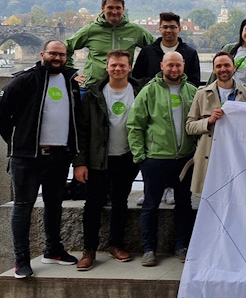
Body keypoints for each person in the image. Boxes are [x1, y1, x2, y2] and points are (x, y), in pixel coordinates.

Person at [0, 40, 81, 278]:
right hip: (27, 157)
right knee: (23, 207)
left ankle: (53, 249)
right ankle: (21, 260)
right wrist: (17, 142)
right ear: (43, 53)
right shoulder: (25, 79)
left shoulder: (70, 80)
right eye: (53, 53)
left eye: (62, 55)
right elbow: (2, 113)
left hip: (59, 156)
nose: (57, 58)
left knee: (54, 205)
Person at [127, 51, 197, 267]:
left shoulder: (193, 92)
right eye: (170, 66)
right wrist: (141, 157)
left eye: (178, 65)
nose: (174, 70)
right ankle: (149, 249)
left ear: (183, 65)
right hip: (155, 160)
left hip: (185, 159)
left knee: (184, 205)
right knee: (150, 205)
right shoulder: (149, 92)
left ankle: (181, 245)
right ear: (162, 66)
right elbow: (134, 125)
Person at [72, 50, 141, 270]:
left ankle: (115, 244)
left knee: (121, 202)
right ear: (107, 67)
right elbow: (82, 130)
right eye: (113, 65)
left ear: (129, 67)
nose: (118, 69)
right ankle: (89, 249)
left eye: (122, 65)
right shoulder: (94, 93)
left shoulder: (140, 90)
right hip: (97, 159)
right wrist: (79, 162)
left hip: (127, 157)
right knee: (93, 204)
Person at [186, 52, 246, 195]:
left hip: (236, 157)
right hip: (209, 157)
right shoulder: (202, 94)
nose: (223, 69)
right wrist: (208, 121)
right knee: (208, 202)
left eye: (226, 65)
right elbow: (189, 126)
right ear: (213, 69)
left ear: (234, 67)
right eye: (218, 66)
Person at [66, 0, 154, 87]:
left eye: (118, 8)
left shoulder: (135, 31)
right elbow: (65, 48)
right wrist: (71, 73)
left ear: (123, 9)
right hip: (93, 87)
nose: (114, 11)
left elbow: (156, 48)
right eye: (110, 8)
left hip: (124, 87)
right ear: (102, 8)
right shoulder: (91, 30)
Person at [132, 12, 201, 87]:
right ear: (160, 29)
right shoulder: (147, 52)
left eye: (172, 27)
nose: (168, 30)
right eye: (165, 27)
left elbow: (194, 81)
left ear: (179, 29)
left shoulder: (190, 53)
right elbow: (137, 78)